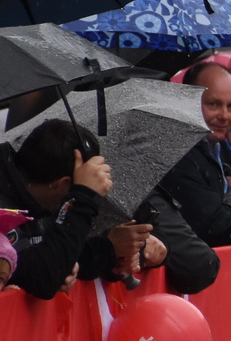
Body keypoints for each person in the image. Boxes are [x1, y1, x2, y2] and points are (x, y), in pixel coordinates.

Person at [0, 120, 164, 296]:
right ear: (63, 183)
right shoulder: (5, 207)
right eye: (79, 185)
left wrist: (109, 248)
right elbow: (44, 278)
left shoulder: (26, 194)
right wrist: (82, 198)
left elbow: (46, 261)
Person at [154, 62, 231, 247]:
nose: (225, 116)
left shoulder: (221, 145)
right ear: (188, 100)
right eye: (213, 104)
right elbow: (215, 226)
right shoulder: (177, 152)